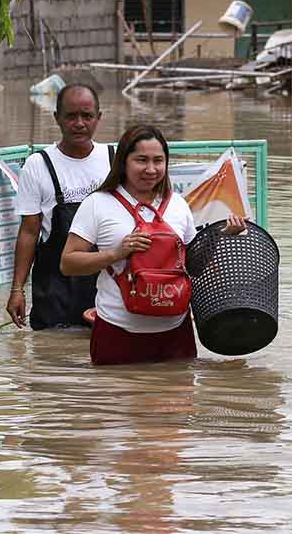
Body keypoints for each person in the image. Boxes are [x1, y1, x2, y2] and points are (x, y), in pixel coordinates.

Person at [61, 125, 246, 366]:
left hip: (175, 333)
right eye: (141, 160)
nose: (151, 169)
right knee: (113, 403)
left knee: (178, 401)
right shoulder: (98, 203)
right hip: (117, 331)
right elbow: (68, 263)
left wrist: (221, 236)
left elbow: (194, 265)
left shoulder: (178, 204)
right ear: (123, 162)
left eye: (158, 160)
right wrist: (116, 253)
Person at [6, 84, 114, 330]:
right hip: (55, 289)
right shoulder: (38, 165)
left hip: (106, 287)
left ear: (99, 118)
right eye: (71, 116)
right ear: (57, 118)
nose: (79, 123)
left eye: (87, 116)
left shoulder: (114, 159)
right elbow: (29, 232)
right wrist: (17, 289)